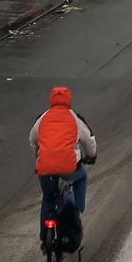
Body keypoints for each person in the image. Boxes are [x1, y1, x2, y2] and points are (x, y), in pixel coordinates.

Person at [30, 85, 98, 245]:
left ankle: (44, 239)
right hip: (69, 168)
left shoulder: (43, 118)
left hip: (45, 169)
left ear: (51, 100)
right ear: (69, 100)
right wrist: (91, 156)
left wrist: (37, 156)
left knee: (48, 199)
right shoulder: (74, 118)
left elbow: (32, 140)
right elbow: (89, 140)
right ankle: (77, 207)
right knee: (81, 177)